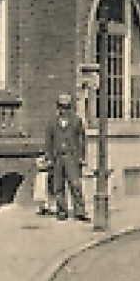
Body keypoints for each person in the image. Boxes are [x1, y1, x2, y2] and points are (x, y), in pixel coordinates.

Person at [44, 94, 89, 222]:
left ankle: (80, 211)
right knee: (58, 186)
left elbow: (82, 140)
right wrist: (49, 157)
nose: (64, 110)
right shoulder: (52, 122)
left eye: (66, 107)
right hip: (57, 158)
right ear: (57, 107)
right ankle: (61, 211)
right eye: (61, 106)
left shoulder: (76, 121)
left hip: (72, 157)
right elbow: (48, 141)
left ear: (70, 107)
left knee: (75, 184)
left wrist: (82, 157)